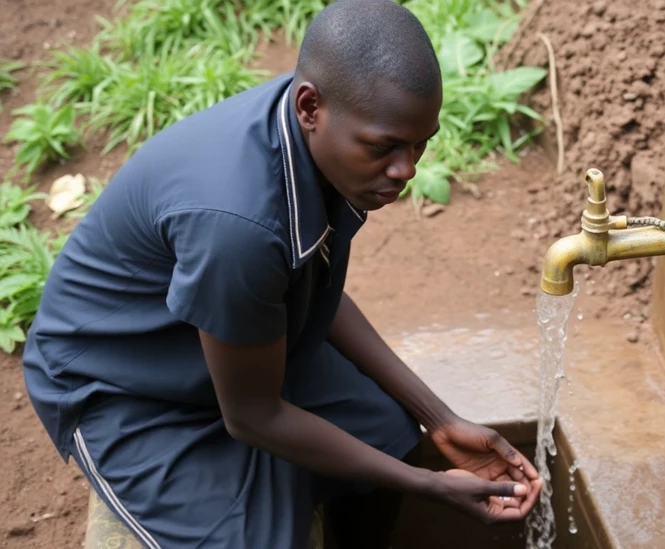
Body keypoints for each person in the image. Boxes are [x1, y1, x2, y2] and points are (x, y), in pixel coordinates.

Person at [20, 0, 543, 547]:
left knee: (390, 435)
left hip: (229, 343)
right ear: (309, 106)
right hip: (126, 386)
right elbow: (251, 417)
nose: (407, 169)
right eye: (385, 147)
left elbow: (309, 286)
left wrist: (438, 417)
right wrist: (427, 485)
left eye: (421, 143)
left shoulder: (325, 124)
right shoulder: (237, 222)